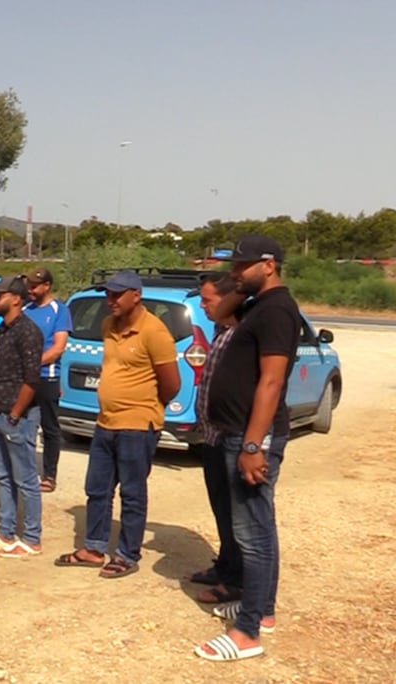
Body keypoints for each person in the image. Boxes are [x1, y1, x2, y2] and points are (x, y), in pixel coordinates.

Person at [195, 235, 300, 662]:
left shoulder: (277, 311)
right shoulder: (257, 303)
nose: (235, 273)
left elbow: (271, 382)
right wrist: (242, 283)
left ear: (270, 264)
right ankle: (262, 608)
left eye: (243, 266)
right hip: (236, 433)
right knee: (259, 527)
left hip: (251, 436)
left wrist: (254, 444)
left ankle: (248, 631)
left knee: (252, 535)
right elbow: (219, 311)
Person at [55, 270, 180, 577]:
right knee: (97, 489)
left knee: (132, 493)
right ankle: (94, 548)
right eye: (107, 294)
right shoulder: (108, 325)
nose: (109, 301)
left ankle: (127, 554)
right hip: (106, 423)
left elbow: (172, 384)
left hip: (137, 426)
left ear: (135, 295)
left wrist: (145, 406)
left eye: (116, 295)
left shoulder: (155, 331)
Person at [0, 276, 44, 557]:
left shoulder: (28, 332)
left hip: (18, 416)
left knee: (25, 478)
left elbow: (32, 379)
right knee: (2, 475)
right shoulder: (4, 328)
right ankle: (6, 530)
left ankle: (32, 538)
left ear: (16, 298)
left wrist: (15, 414)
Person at [189, 272, 247, 604]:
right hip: (212, 436)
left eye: (208, 300)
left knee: (235, 513)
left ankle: (236, 581)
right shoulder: (219, 331)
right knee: (220, 508)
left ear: (228, 300)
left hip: (231, 437)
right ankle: (224, 566)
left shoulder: (241, 335)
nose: (202, 305)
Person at [23, 267, 73, 493]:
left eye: (34, 286)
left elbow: (58, 348)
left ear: (46, 286)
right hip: (24, 378)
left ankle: (50, 474)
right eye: (29, 286)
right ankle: (24, 469)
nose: (30, 290)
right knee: (23, 425)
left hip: (47, 378)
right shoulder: (24, 309)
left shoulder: (59, 310)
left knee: (50, 428)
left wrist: (32, 364)